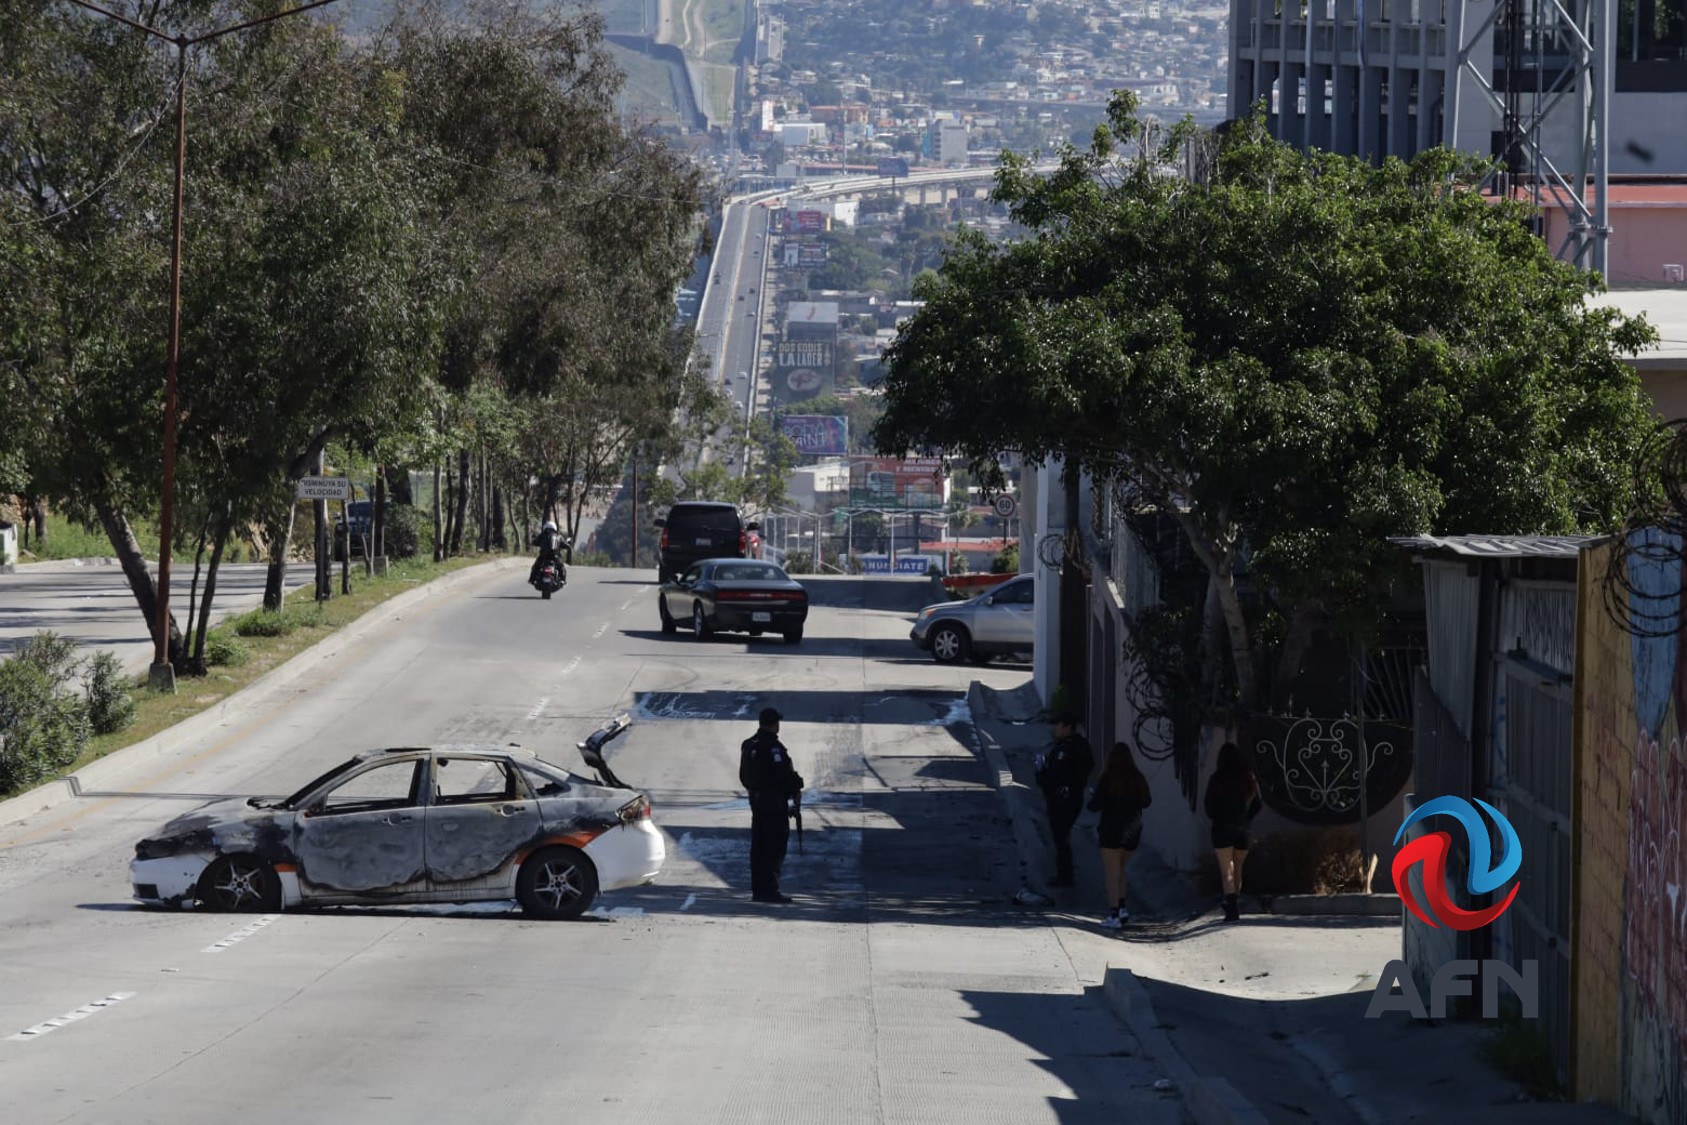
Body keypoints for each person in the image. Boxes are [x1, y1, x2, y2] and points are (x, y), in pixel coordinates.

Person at [739, 706, 804, 903]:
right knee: (774, 847)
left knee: (759, 847)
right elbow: (782, 776)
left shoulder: (749, 744)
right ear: (774, 724)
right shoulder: (773, 747)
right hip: (773, 804)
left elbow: (744, 777)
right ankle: (769, 890)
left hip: (757, 804)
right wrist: (797, 785)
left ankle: (759, 890)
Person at [1089, 741, 1152, 929]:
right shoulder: (1137, 777)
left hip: (1111, 830)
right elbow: (1147, 801)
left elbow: (1093, 805)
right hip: (1133, 830)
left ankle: (1114, 914)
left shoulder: (1108, 778)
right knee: (1121, 870)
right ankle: (1123, 907)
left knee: (1112, 874)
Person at [1204, 741, 1263, 921]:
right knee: (1238, 867)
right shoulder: (1248, 777)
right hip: (1243, 829)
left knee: (1226, 870)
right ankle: (1234, 900)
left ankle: (1231, 906)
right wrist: (1246, 818)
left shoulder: (1217, 778)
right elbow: (1258, 804)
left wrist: (1216, 817)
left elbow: (1209, 806)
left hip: (1222, 828)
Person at [1035, 711, 1094, 888]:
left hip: (1064, 799)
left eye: (1059, 725)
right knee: (1060, 837)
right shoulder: (1070, 746)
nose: (1056, 729)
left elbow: (1058, 775)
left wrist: (1042, 771)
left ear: (1068, 727)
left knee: (1061, 837)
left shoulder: (1071, 748)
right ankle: (1064, 874)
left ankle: (1065, 876)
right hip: (1064, 797)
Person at [529, 520, 570, 586]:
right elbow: (566, 545)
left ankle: (532, 579)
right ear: (554, 528)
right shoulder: (558, 536)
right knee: (561, 567)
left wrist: (537, 543)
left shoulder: (542, 535)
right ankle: (563, 580)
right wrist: (567, 546)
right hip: (555, 557)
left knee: (536, 566)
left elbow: (535, 542)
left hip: (543, 556)